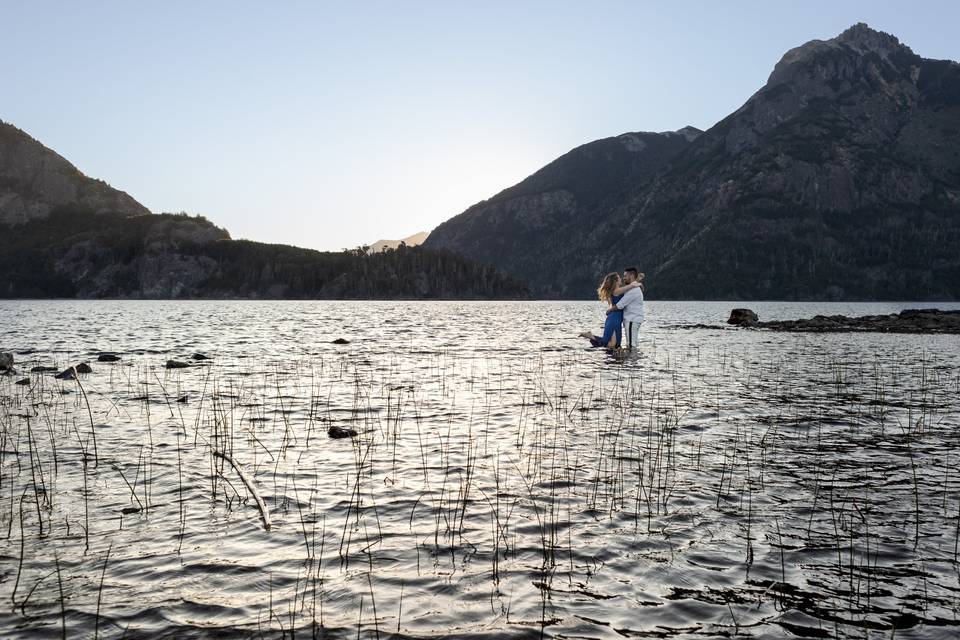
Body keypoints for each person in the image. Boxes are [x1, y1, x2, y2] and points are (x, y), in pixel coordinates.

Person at [580, 272, 641, 348]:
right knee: (611, 344)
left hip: (616, 318)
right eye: (619, 278)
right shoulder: (616, 291)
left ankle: (592, 337)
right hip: (614, 319)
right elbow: (630, 286)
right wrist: (637, 283)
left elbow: (629, 288)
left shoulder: (618, 290)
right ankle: (590, 336)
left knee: (614, 345)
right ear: (615, 281)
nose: (621, 279)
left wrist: (638, 280)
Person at [609, 267, 644, 349]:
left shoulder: (633, 290)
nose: (623, 278)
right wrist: (638, 281)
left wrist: (609, 310)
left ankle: (632, 360)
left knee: (631, 345)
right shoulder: (632, 288)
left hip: (632, 319)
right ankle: (632, 360)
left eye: (625, 276)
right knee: (632, 343)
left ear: (631, 276)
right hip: (633, 319)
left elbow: (620, 305)